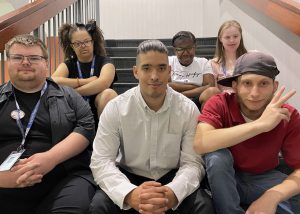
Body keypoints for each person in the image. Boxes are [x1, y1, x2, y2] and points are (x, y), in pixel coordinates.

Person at [89, 40, 215, 214]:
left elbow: (193, 163)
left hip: (173, 177)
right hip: (128, 177)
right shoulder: (116, 108)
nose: (154, 76)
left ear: (169, 72)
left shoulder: (187, 109)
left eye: (161, 68)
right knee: (98, 207)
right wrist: (129, 194)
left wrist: (172, 193)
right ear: (135, 72)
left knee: (204, 206)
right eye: (147, 68)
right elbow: (101, 161)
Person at [194, 51, 300, 214]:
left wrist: (272, 196)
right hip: (225, 178)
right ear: (235, 85)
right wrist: (260, 125)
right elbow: (201, 143)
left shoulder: (288, 114)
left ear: (275, 86)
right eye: (247, 83)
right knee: (217, 156)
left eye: (264, 83)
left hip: (264, 177)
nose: (255, 93)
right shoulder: (219, 103)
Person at [0, 34, 96, 214]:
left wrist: (50, 159)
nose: (25, 62)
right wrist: (3, 179)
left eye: (34, 58)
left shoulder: (68, 96)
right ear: (7, 62)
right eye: (18, 57)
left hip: (63, 179)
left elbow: (87, 126)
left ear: (47, 63)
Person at [52, 19, 118, 126]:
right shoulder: (68, 64)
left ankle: (106, 138)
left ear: (93, 42)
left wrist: (73, 93)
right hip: (75, 114)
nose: (83, 46)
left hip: (100, 113)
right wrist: (85, 81)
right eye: (77, 43)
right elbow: (54, 81)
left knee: (108, 94)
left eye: (86, 41)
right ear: (72, 46)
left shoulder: (105, 62)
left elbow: (104, 83)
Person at [200, 20, 248, 105]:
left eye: (235, 36)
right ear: (220, 39)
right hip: (224, 104)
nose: (232, 40)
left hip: (245, 100)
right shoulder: (213, 63)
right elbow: (214, 92)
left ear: (240, 37)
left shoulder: (249, 58)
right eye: (227, 37)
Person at [168, 31, 215, 110]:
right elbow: (166, 85)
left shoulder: (203, 62)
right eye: (180, 49)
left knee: (213, 91)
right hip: (173, 100)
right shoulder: (168, 61)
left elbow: (210, 86)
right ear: (175, 50)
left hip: (197, 100)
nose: (186, 53)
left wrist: (183, 94)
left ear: (195, 47)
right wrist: (197, 87)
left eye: (189, 48)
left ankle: (204, 121)